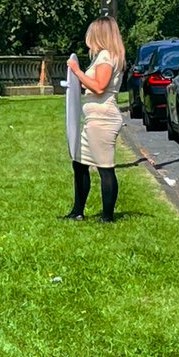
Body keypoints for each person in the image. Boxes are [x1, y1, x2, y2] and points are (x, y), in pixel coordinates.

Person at [63, 15, 126, 223]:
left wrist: (77, 71)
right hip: (94, 118)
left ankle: (107, 217)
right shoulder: (106, 56)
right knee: (79, 164)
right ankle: (77, 210)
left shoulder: (106, 56)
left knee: (104, 167)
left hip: (102, 119)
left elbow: (99, 87)